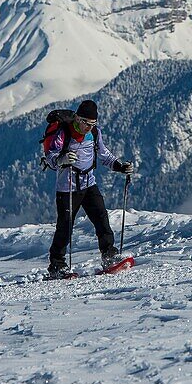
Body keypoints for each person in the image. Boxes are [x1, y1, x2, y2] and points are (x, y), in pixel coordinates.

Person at [43, 99, 134, 278]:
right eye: (85, 122)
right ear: (77, 118)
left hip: (88, 183)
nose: (88, 127)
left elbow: (104, 154)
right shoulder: (64, 133)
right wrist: (61, 159)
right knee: (65, 226)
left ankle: (109, 255)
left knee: (101, 218)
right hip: (67, 188)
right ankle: (57, 265)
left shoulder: (94, 133)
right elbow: (51, 156)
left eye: (92, 123)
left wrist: (120, 166)